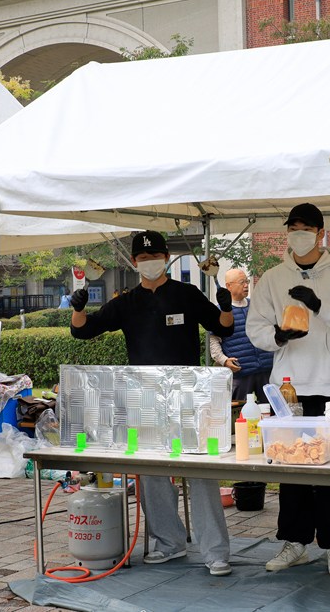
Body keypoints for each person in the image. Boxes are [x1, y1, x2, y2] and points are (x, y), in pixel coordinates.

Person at [70, 230, 236, 577]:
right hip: (144, 398)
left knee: (201, 473)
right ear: (135, 262)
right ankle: (169, 542)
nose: (150, 263)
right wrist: (78, 309)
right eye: (143, 258)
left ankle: (215, 551)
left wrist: (225, 307)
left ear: (166, 258)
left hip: (189, 396)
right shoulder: (127, 302)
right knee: (152, 473)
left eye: (155, 257)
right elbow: (84, 331)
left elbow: (223, 327)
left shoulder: (186, 294)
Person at [246, 202, 330, 578]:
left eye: (305, 228)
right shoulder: (273, 278)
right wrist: (278, 336)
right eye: (292, 228)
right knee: (291, 465)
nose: (297, 234)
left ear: (320, 233)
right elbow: (255, 326)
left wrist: (320, 305)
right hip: (290, 386)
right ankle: (295, 541)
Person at [208, 268, 273, 402]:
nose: (246, 285)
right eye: (242, 282)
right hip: (240, 372)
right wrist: (224, 360)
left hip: (266, 369)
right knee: (239, 411)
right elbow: (214, 341)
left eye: (247, 281)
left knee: (270, 409)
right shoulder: (220, 312)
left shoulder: (257, 306)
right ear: (228, 286)